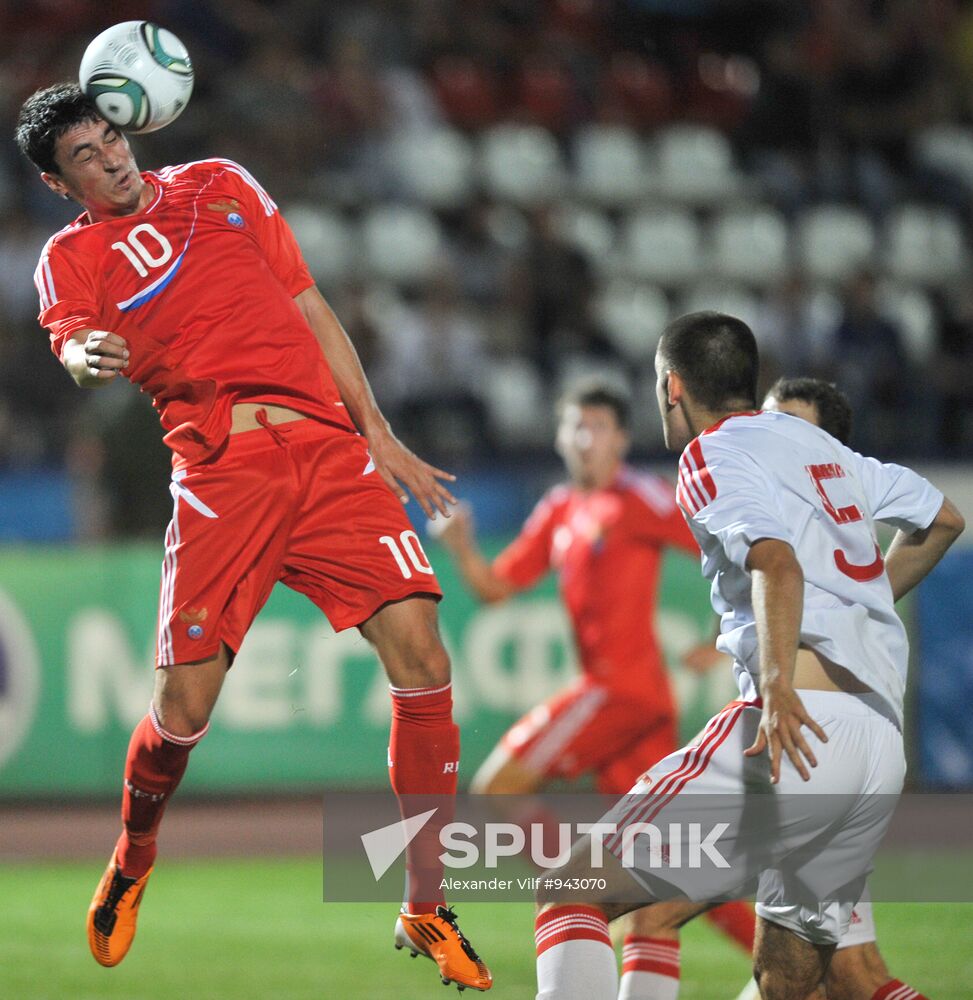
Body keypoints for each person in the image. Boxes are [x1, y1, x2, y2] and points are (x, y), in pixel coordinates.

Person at [15, 82, 491, 993]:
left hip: (326, 452)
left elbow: (310, 304)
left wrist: (377, 432)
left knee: (423, 658)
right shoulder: (71, 255)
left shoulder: (221, 183)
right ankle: (133, 852)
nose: (110, 157)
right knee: (182, 714)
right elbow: (70, 341)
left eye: (109, 136)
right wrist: (84, 358)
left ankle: (425, 902)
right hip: (221, 477)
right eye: (83, 155)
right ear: (57, 183)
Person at [531, 312, 963, 1000]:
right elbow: (944, 518)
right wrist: (860, 597)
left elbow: (773, 561)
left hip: (794, 726)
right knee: (810, 980)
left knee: (571, 892)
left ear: (671, 385)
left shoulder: (708, 453)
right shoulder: (818, 447)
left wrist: (776, 680)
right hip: (876, 741)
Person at [434, 379, 758, 999]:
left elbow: (722, 545)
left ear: (620, 438)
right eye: (575, 427)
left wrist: (723, 626)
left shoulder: (640, 496)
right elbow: (498, 588)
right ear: (559, 437)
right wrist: (464, 548)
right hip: (628, 709)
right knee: (670, 876)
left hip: (620, 692)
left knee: (499, 787)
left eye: (599, 427)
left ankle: (579, 901)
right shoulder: (557, 507)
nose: (586, 439)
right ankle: (802, 965)